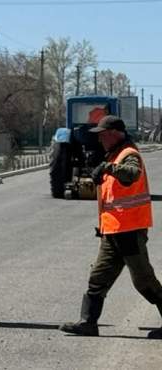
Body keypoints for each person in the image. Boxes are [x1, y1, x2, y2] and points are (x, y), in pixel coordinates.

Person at [60, 115, 162, 339]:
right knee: (98, 277)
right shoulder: (114, 154)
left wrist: (108, 167)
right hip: (113, 231)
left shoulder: (129, 154)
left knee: (144, 280)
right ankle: (87, 323)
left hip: (130, 232)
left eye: (103, 135)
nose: (100, 140)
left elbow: (132, 175)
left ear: (115, 134)